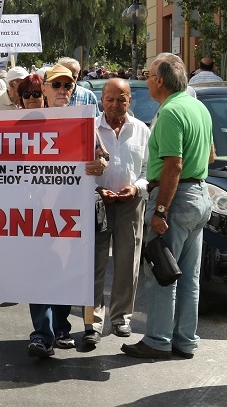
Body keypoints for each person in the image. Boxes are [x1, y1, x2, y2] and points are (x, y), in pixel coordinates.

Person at [121, 55, 213, 360]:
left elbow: (174, 165)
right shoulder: (198, 108)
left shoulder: (171, 111)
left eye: (149, 75)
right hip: (198, 195)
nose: (146, 80)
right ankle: (185, 340)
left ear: (160, 81)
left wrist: (161, 210)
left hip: (175, 198)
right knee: (187, 276)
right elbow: (210, 155)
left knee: (161, 271)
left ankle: (158, 340)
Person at [81, 78, 150, 346]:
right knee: (93, 264)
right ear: (101, 101)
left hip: (130, 203)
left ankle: (121, 318)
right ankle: (92, 322)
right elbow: (77, 169)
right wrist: (96, 190)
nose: (115, 105)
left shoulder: (141, 130)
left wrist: (136, 187)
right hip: (96, 202)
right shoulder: (88, 129)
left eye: (121, 99)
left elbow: (148, 170)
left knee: (127, 262)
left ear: (129, 101)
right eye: (109, 99)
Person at [27, 64, 86, 357]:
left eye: (68, 85)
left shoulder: (83, 122)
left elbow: (100, 158)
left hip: (70, 210)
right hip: (36, 211)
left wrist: (99, 163)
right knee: (39, 269)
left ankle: (62, 327)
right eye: (57, 85)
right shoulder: (30, 123)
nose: (63, 91)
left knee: (65, 268)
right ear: (45, 89)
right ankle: (41, 334)